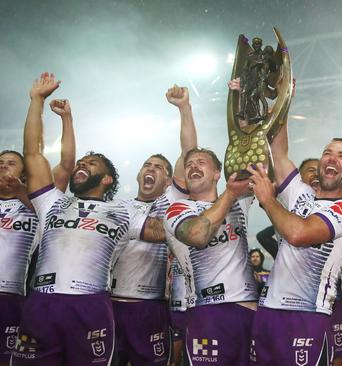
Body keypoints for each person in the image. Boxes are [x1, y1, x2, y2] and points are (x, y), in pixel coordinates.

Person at [11, 72, 167, 366]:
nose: (82, 164)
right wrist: (36, 101)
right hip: (42, 301)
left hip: (91, 305)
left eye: (91, 163)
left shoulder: (123, 211)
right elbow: (32, 154)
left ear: (106, 179)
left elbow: (166, 232)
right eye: (80, 163)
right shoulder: (52, 201)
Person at [246, 87, 342, 366]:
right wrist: (282, 103)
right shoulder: (301, 193)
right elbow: (279, 154)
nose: (331, 158)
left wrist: (269, 200)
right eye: (328, 153)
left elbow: (298, 233)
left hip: (306, 317)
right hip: (267, 311)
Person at [110, 84, 196, 366]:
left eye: (159, 167)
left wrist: (184, 108)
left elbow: (189, 152)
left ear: (171, 180)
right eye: (147, 165)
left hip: (150, 306)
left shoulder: (170, 200)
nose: (150, 169)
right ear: (137, 173)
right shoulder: (118, 207)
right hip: (108, 302)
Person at [0, 98, 76, 366]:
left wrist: (65, 117)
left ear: (25, 174)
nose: (3, 165)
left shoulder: (41, 201)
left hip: (11, 295)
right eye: (0, 162)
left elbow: (66, 165)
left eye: (10, 162)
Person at [164, 147, 256, 366]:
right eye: (189, 164)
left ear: (217, 173)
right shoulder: (178, 209)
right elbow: (197, 235)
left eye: (201, 162)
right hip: (207, 314)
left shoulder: (239, 200)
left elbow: (260, 162)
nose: (193, 166)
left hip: (249, 313)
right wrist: (230, 193)